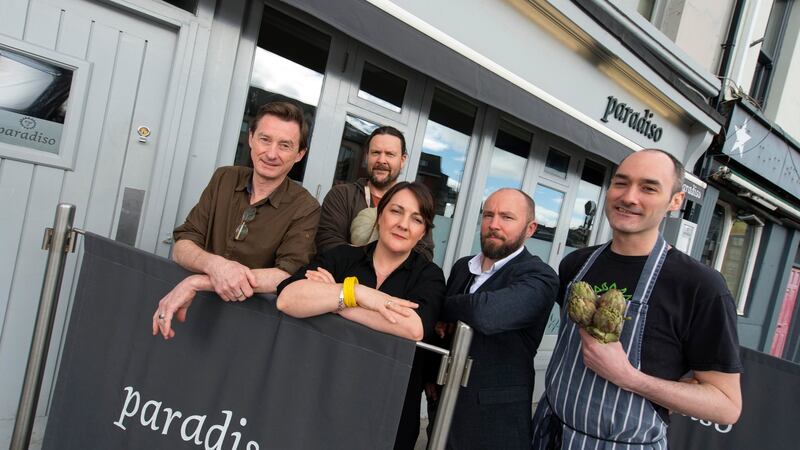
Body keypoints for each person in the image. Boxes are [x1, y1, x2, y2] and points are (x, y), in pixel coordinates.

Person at [532, 149, 742, 449]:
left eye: (648, 187)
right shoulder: (576, 264)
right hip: (549, 432)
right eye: (621, 183)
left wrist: (630, 377)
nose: (629, 197)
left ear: (675, 201)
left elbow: (726, 405)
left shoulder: (700, 286)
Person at [276, 181, 445, 450]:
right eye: (396, 211)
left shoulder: (429, 277)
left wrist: (335, 299)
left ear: (423, 231)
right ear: (380, 215)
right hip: (323, 399)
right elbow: (288, 299)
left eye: (416, 219)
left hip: (388, 415)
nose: (403, 224)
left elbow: (413, 328)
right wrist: (364, 296)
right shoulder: (342, 257)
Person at [153, 101, 320, 339]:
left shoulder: (306, 207)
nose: (272, 154)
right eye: (265, 139)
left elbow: (287, 275)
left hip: (252, 324)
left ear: (299, 154)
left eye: (285, 145)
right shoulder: (224, 178)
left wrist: (197, 281)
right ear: (250, 138)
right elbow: (182, 245)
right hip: (192, 311)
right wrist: (216, 266)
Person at [428, 188, 559, 450]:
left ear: (530, 228)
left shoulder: (540, 277)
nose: (494, 225)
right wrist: (432, 377)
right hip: (444, 408)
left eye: (507, 217)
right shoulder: (463, 267)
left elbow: (485, 314)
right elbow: (446, 329)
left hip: (494, 422)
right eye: (488, 215)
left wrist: (442, 306)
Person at [315, 126, 434, 260]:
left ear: (402, 160)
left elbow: (425, 254)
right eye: (376, 152)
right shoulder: (342, 195)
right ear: (367, 157)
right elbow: (328, 243)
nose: (381, 160)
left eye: (390, 154)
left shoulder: (416, 204)